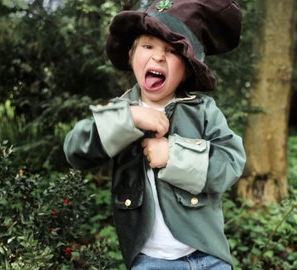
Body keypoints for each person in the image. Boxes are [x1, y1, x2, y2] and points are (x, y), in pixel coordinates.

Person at [63, 0, 246, 269]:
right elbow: (75, 150)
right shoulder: (120, 110)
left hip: (208, 256)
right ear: (131, 55)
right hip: (150, 260)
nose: (158, 57)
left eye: (172, 51)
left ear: (186, 68)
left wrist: (174, 155)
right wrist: (128, 119)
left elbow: (231, 162)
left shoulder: (203, 110)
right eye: (148, 46)